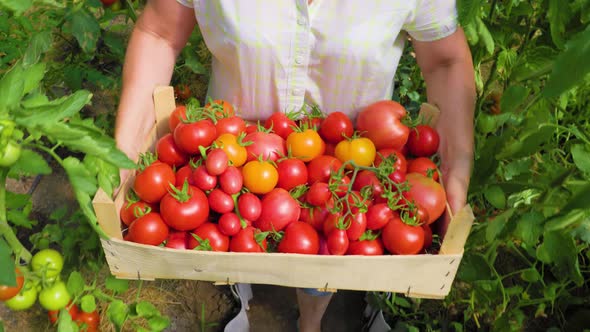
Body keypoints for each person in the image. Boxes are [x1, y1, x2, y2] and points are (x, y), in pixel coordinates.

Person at [114, 1, 476, 331]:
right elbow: (159, 33)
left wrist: (458, 161)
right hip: (226, 160)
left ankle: (311, 320)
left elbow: (445, 60)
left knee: (325, 255)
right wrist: (125, 151)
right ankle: (241, 293)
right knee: (232, 238)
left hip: (352, 172)